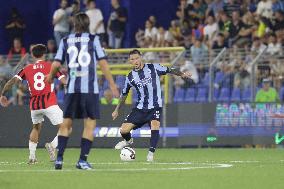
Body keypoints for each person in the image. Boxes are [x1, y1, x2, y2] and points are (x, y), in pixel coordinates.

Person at [46, 12, 119, 170]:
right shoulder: (94, 39)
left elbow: (56, 64)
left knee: (66, 124)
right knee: (89, 125)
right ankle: (82, 160)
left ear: (74, 24)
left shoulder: (66, 40)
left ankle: (59, 160)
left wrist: (51, 77)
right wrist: (112, 85)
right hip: (89, 90)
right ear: (88, 25)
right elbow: (103, 63)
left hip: (72, 89)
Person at [112, 49, 191, 162]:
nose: (135, 61)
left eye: (137, 58)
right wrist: (116, 109)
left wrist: (182, 74)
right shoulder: (130, 77)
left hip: (155, 106)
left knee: (155, 126)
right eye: (132, 59)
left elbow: (170, 69)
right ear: (130, 61)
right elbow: (124, 95)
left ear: (141, 57)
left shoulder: (153, 67)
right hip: (140, 108)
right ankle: (128, 141)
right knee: (123, 130)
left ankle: (150, 154)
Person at [0, 44, 67, 164]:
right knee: (66, 127)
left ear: (32, 55)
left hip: (35, 105)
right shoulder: (51, 66)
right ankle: (52, 145)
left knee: (36, 128)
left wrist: (2, 94)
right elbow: (64, 81)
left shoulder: (26, 68)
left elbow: (12, 81)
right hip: (49, 102)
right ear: (44, 54)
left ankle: (32, 157)